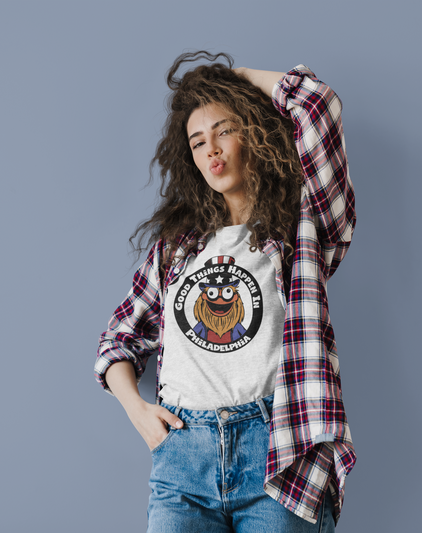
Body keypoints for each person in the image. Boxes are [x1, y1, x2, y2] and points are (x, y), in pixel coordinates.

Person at [94, 51, 357, 532]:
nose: (211, 150)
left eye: (224, 130)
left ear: (254, 132)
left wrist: (230, 82)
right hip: (182, 459)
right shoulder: (176, 246)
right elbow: (118, 338)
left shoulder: (301, 228)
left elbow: (319, 105)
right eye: (197, 142)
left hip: (277, 453)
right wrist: (137, 411)